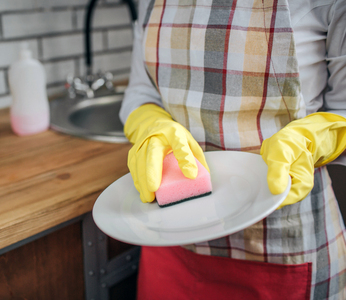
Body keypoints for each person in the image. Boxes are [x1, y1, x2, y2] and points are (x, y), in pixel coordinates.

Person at [120, 0, 346, 299]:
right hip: (171, 241)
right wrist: (151, 124)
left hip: (286, 245)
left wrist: (313, 138)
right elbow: (141, 90)